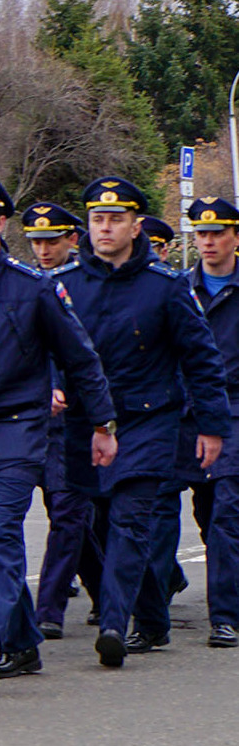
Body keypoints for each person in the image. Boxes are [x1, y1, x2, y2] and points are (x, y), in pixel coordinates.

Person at [0, 171, 115, 687]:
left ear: (0, 222)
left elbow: (80, 360)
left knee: (1, 533)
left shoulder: (32, 288)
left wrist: (102, 423)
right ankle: (26, 643)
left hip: (16, 430)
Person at [55, 177, 228, 668]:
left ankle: (114, 622)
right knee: (104, 522)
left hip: (150, 420)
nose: (105, 228)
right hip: (88, 424)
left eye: (115, 220)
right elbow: (45, 349)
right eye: (97, 220)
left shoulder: (166, 287)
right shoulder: (66, 286)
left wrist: (211, 428)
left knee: (132, 519)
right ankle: (152, 615)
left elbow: (202, 359)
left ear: (135, 226)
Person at [17, 202, 102, 638]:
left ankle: (47, 611)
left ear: (73, 239)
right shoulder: (26, 284)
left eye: (52, 240)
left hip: (78, 416)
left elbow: (84, 350)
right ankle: (108, 594)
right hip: (31, 417)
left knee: (69, 512)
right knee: (69, 515)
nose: (43, 249)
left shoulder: (85, 284)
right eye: (36, 241)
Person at [184, 197, 239, 648]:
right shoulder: (180, 289)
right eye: (201, 234)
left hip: (236, 409)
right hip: (188, 412)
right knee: (205, 509)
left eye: (218, 233)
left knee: (226, 508)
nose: (208, 241)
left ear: (236, 238)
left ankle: (225, 615)